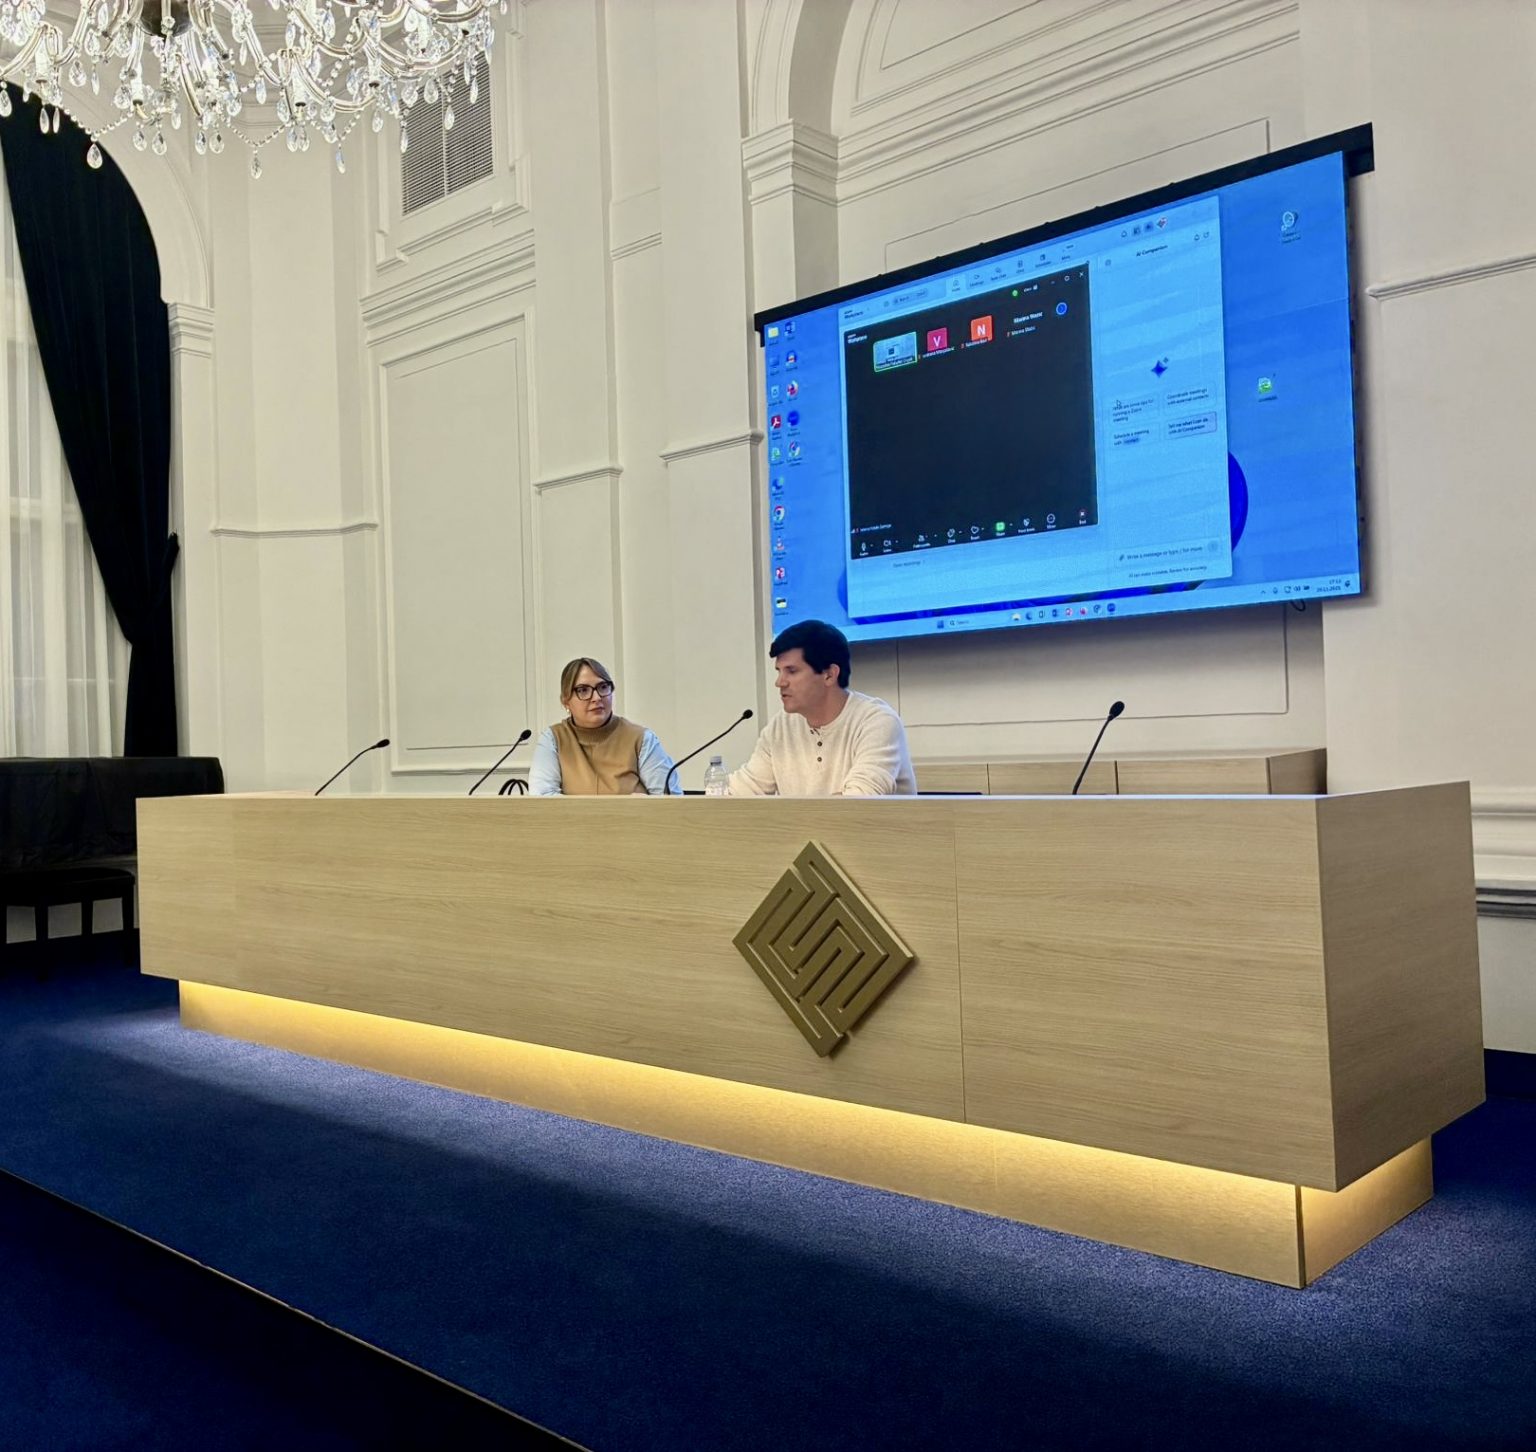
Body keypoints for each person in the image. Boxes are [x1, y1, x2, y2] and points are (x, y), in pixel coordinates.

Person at [728, 620, 916, 797]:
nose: (779, 682)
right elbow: (743, 790)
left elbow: (860, 802)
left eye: (792, 671)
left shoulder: (877, 722)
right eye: (779, 671)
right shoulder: (780, 727)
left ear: (829, 675)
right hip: (807, 823)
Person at [529, 657, 680, 796]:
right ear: (566, 701)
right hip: (572, 819)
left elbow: (669, 801)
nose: (596, 698)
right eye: (583, 690)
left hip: (632, 818)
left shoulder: (641, 739)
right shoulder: (553, 739)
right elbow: (543, 799)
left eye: (602, 687)